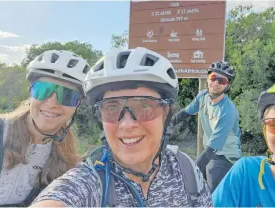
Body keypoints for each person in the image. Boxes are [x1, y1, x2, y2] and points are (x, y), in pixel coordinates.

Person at [31, 47, 212, 207]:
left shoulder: (186, 169)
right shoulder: (90, 182)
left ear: (166, 113)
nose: (126, 124)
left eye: (144, 106)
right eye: (112, 107)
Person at [0, 50, 90, 206]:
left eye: (67, 95)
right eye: (43, 90)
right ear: (31, 92)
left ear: (77, 105)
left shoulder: (66, 160)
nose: (52, 103)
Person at [171, 61, 241, 192]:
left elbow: (211, 151)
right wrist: (169, 124)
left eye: (222, 81)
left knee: (212, 194)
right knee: (196, 188)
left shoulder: (227, 112)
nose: (215, 83)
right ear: (208, 78)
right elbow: (186, 112)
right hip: (212, 151)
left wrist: (191, 170)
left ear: (228, 86)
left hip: (224, 156)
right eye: (213, 78)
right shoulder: (202, 96)